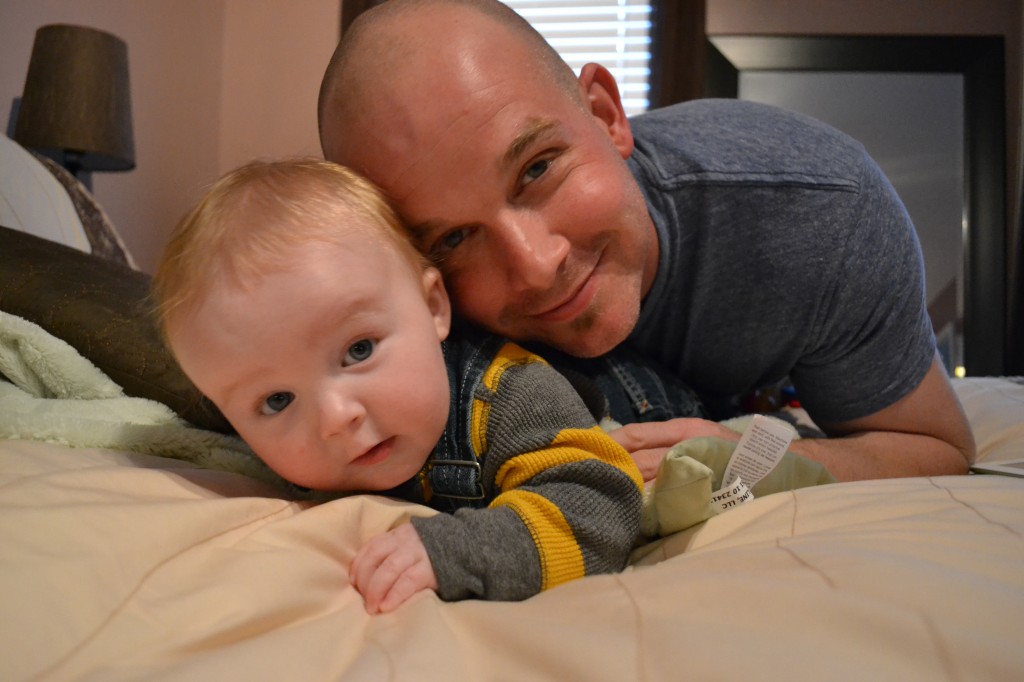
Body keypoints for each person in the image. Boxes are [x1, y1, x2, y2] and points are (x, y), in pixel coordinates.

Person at [317, 0, 975, 482]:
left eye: (538, 169)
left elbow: (934, 446)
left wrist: (744, 460)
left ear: (606, 116)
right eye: (455, 238)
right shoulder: (400, 289)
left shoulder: (825, 213)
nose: (537, 266)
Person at [151, 158, 645, 614]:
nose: (335, 417)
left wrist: (460, 553)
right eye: (277, 401)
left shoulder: (512, 395)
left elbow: (603, 509)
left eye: (359, 350)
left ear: (433, 307)